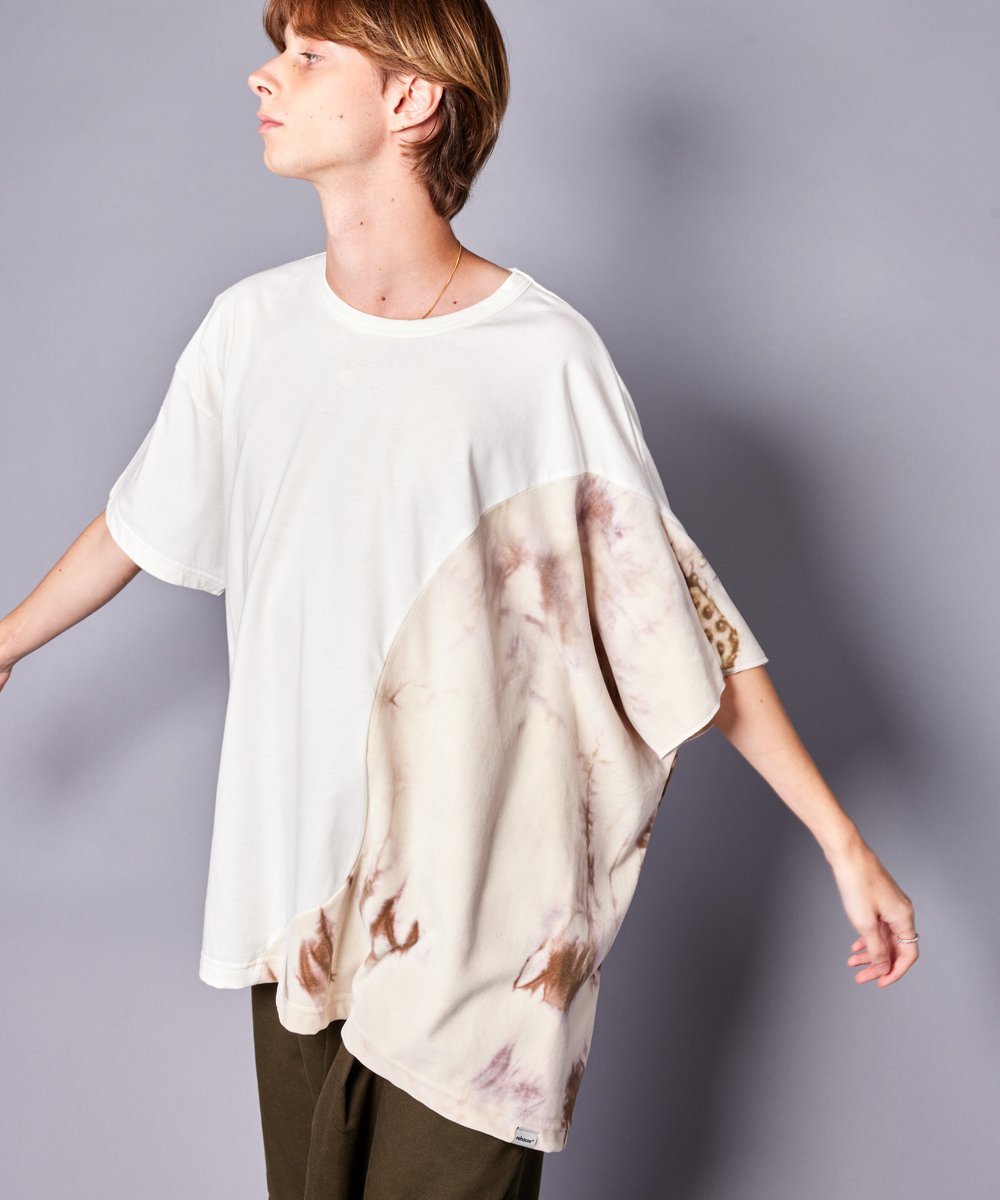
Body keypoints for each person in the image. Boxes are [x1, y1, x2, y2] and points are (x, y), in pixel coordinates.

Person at [0, 0, 920, 1196]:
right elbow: (140, 521)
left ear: (412, 99)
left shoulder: (538, 357)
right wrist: (9, 643)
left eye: (308, 56)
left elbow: (675, 618)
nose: (264, 78)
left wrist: (844, 847)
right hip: (297, 896)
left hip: (482, 910)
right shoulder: (249, 332)